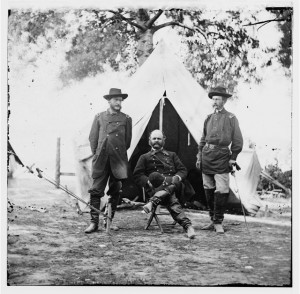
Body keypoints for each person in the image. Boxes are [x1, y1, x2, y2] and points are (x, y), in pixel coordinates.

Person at [196, 85, 243, 234]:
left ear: (224, 101)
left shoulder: (231, 118)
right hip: (207, 156)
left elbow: (237, 141)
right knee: (208, 188)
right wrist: (199, 157)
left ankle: (218, 222)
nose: (214, 101)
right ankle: (212, 220)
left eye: (218, 99)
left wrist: (233, 158)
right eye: (213, 99)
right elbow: (203, 139)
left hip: (222, 156)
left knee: (222, 190)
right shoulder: (208, 118)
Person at [85, 88, 132, 233]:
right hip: (101, 160)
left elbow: (127, 142)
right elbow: (93, 139)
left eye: (120, 100)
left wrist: (115, 151)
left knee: (116, 191)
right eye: (116, 100)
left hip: (118, 160)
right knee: (95, 191)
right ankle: (94, 223)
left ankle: (108, 221)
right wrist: (99, 153)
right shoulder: (99, 117)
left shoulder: (126, 119)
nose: (119, 103)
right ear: (109, 101)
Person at [133, 130, 196, 239]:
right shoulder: (144, 157)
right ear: (149, 141)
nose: (156, 141)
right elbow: (137, 175)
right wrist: (148, 181)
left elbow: (183, 170)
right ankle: (188, 226)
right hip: (155, 187)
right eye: (154, 138)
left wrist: (176, 178)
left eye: (159, 138)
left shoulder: (172, 155)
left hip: (174, 185)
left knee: (171, 188)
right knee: (170, 197)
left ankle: (152, 202)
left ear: (163, 140)